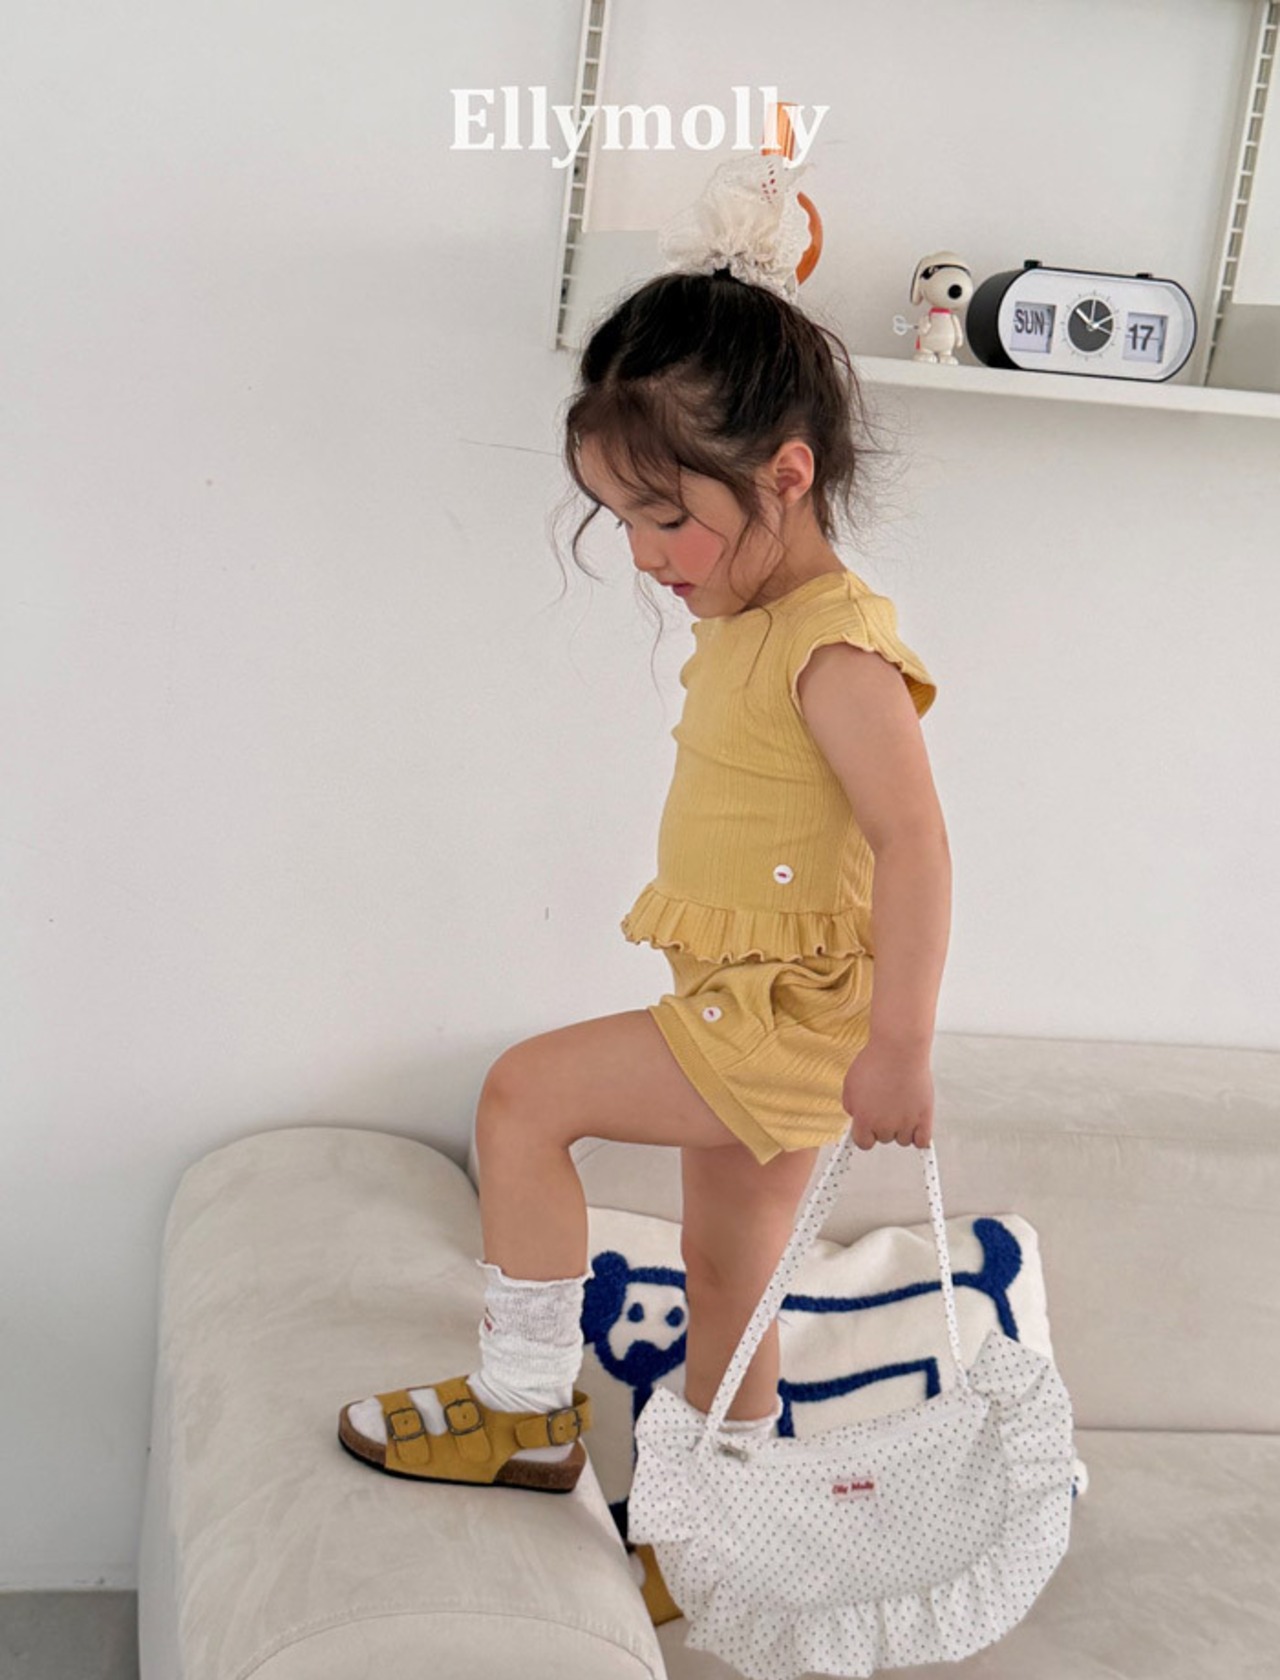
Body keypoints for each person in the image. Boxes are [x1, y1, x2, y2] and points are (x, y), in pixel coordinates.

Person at [337, 153, 951, 1509]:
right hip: (751, 999)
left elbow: (915, 843)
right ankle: (724, 1512)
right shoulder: (757, 618)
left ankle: (523, 1409)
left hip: (785, 1017)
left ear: (786, 476)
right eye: (623, 518)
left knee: (523, 1097)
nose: (642, 554)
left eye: (667, 517)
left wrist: (903, 1045)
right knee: (729, 1268)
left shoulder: (835, 650)